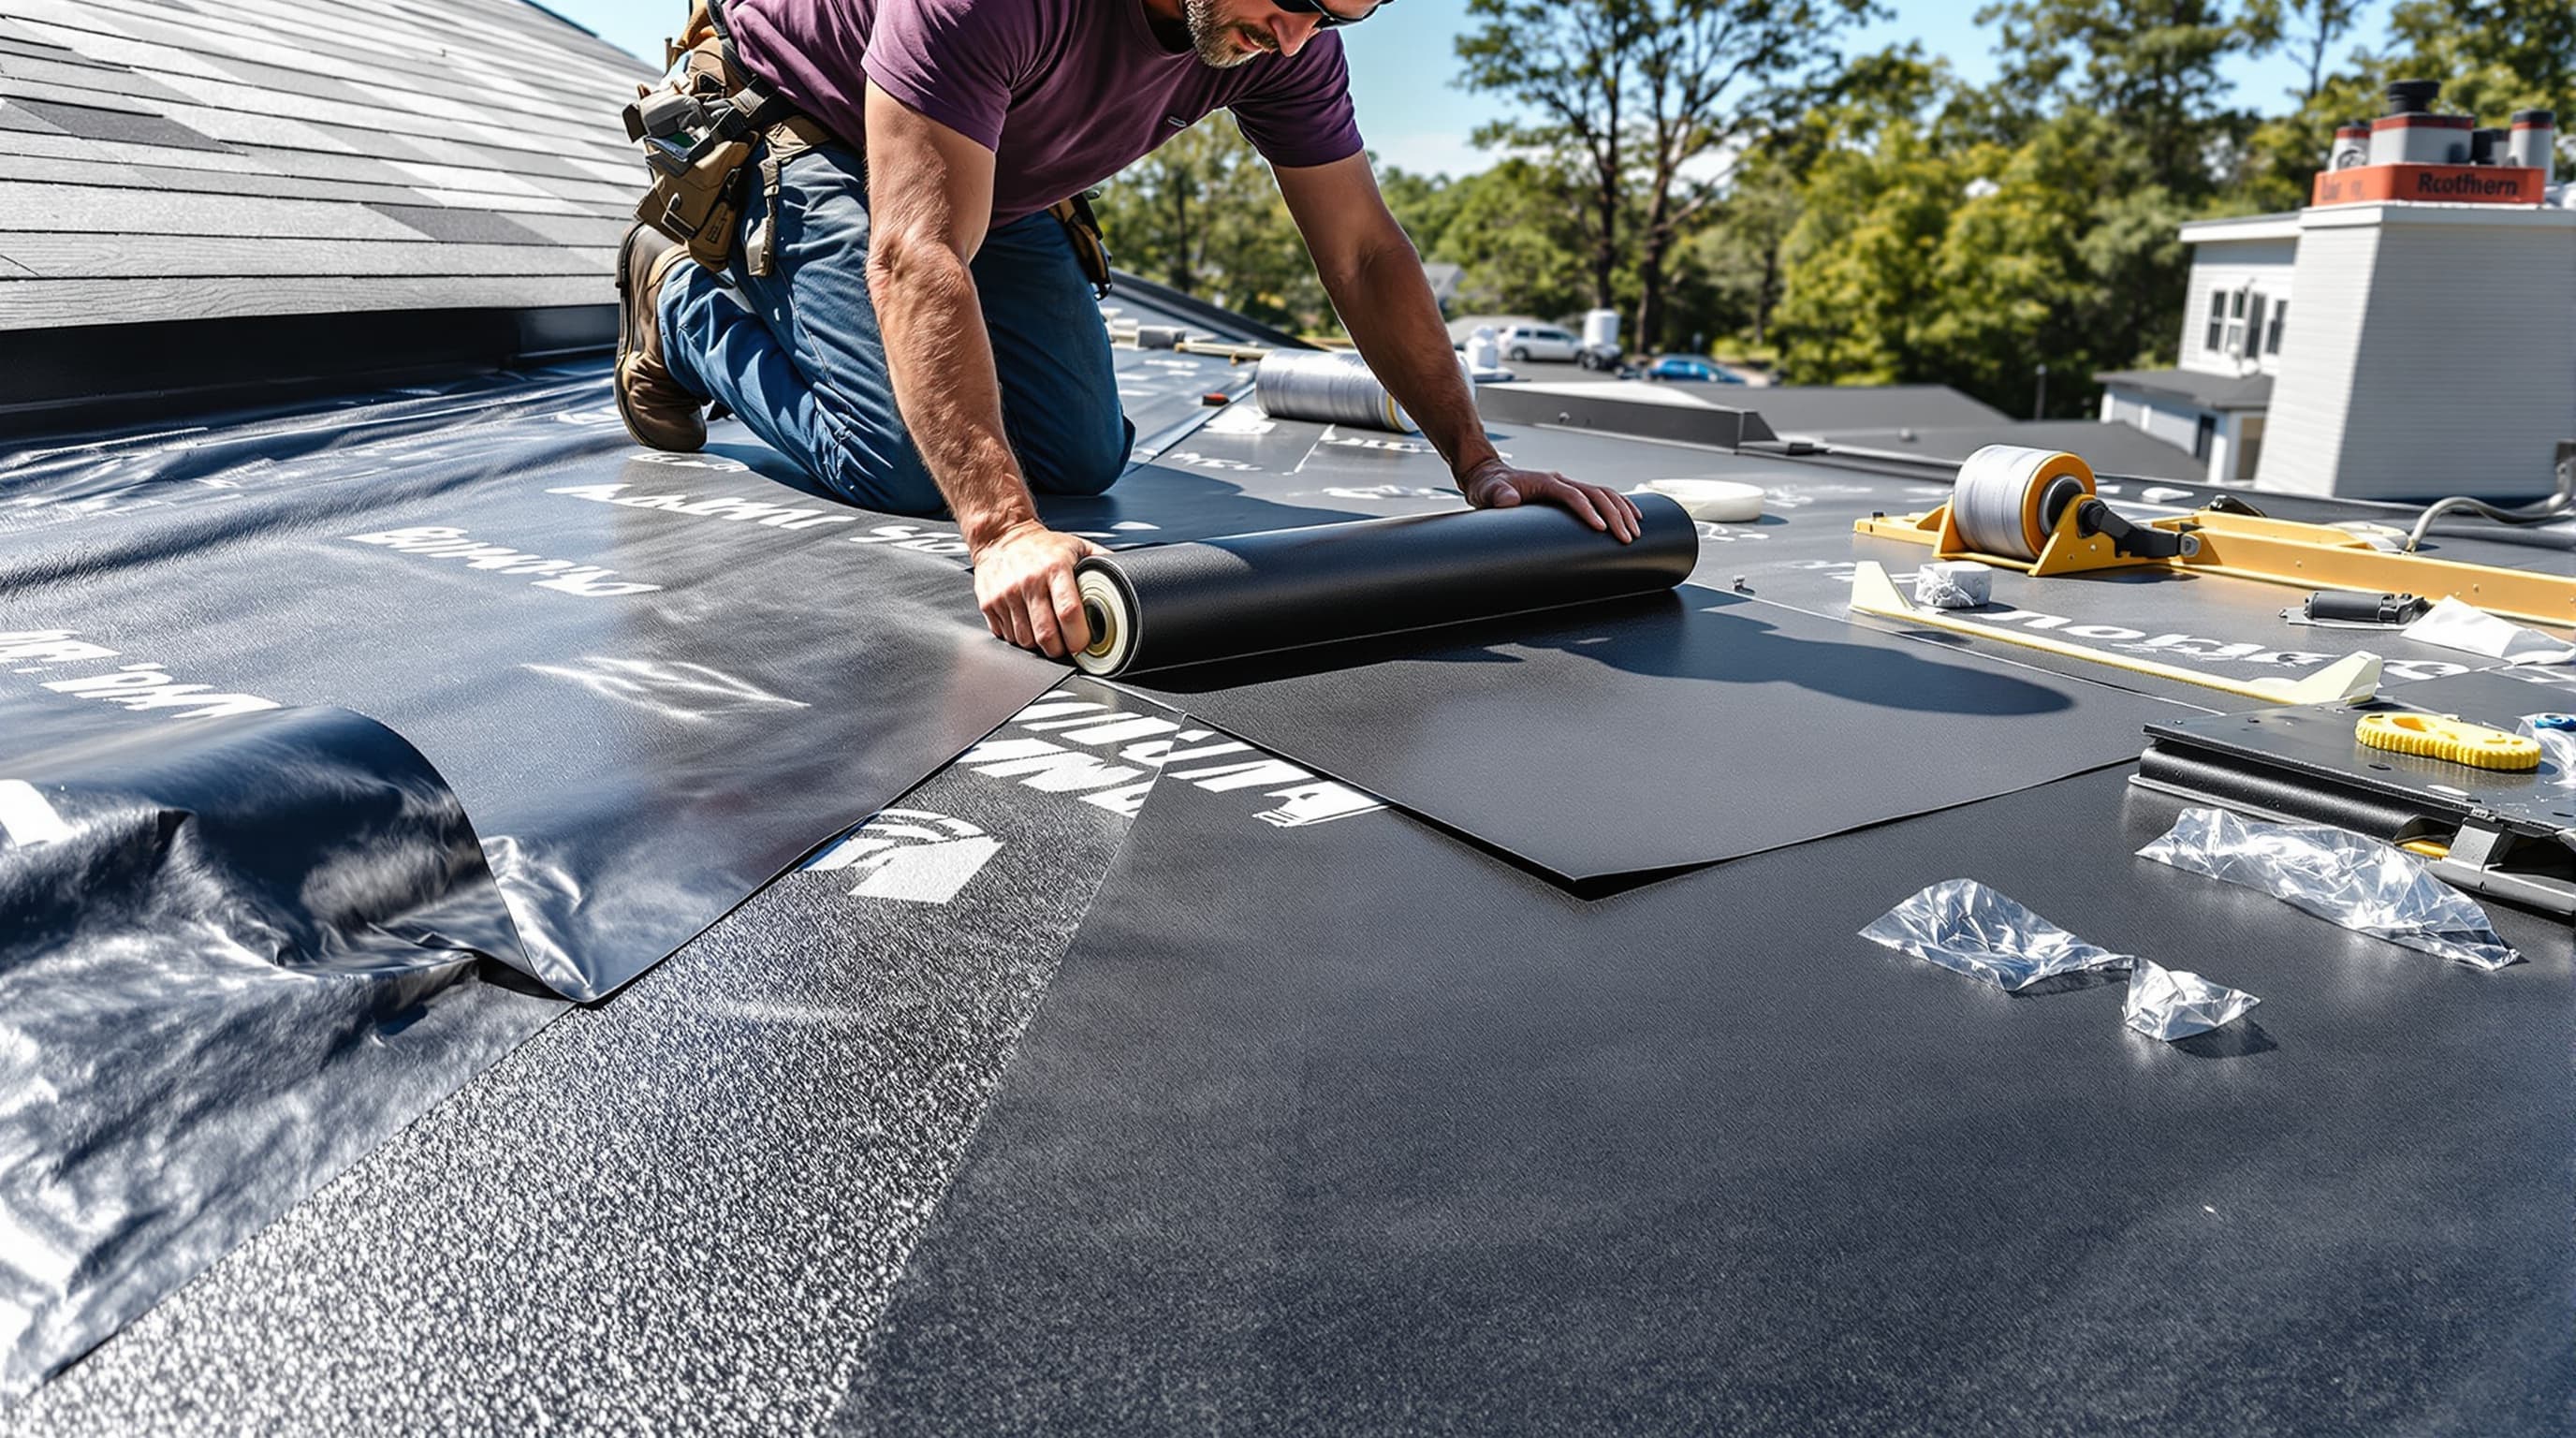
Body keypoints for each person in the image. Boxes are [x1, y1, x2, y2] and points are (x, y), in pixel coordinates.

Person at [616, 0, 1642, 659]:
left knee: (1080, 455)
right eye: (1290, 3)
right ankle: (678, 299)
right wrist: (1002, 532)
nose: (1294, 37)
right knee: (904, 462)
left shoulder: (1286, 36)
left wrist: (1479, 466)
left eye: (1335, 17)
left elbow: (1365, 253)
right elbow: (915, 254)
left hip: (1001, 172)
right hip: (818, 121)